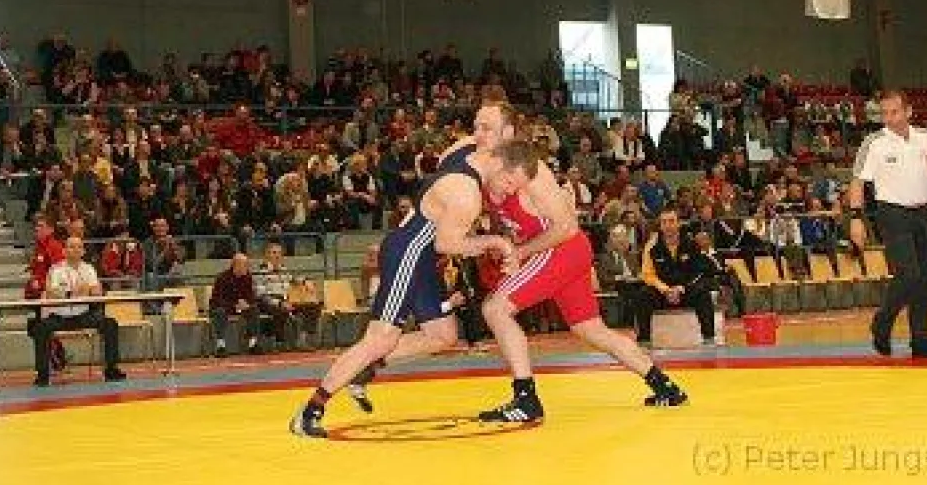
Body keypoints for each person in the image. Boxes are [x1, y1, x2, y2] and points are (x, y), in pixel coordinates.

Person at [289, 104, 522, 439]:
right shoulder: (467, 191)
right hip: (410, 253)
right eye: (478, 126)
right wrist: (497, 242)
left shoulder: (462, 150)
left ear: (506, 135)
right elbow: (446, 243)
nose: (479, 133)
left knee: (443, 335)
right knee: (381, 338)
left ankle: (365, 369)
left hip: (421, 253)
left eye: (487, 127)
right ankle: (311, 409)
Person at [473, 140, 688, 423]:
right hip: (571, 253)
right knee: (590, 329)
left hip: (560, 250)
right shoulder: (483, 185)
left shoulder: (530, 185)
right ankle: (664, 385)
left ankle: (526, 398)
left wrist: (521, 251)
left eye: (516, 182)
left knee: (495, 309)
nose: (512, 189)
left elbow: (563, 225)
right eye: (510, 183)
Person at [848, 89, 927, 359]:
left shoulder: (924, 137)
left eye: (894, 112)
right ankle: (882, 322)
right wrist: (856, 218)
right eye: (884, 113)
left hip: (923, 212)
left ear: (908, 111)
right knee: (908, 274)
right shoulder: (874, 142)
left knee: (925, 278)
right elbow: (858, 181)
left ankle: (921, 339)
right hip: (892, 214)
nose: (889, 118)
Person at [26, 235, 127, 387]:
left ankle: (112, 369)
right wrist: (72, 292)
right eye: (71, 246)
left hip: (84, 315)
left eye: (79, 247)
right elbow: (51, 293)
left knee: (110, 324)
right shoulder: (56, 269)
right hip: (60, 316)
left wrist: (86, 290)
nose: (75, 250)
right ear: (64, 250)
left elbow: (97, 291)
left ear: (83, 251)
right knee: (40, 328)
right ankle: (42, 375)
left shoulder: (89, 269)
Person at [635, 206, 719, 345]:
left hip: (685, 290)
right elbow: (647, 275)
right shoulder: (651, 247)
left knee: (703, 293)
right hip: (662, 292)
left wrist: (681, 288)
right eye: (664, 222)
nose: (668, 225)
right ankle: (644, 340)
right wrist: (665, 289)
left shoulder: (691, 244)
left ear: (678, 223)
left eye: (671, 221)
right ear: (660, 225)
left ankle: (709, 337)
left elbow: (697, 272)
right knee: (643, 295)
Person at [208, 253, 263, 357]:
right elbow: (217, 299)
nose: (247, 267)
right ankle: (221, 346)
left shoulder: (248, 277)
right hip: (223, 307)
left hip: (240, 307)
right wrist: (234, 305)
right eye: (245, 265)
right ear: (236, 265)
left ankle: (253, 344)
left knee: (253, 309)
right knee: (220, 312)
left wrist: (247, 303)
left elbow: (251, 296)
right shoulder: (222, 277)